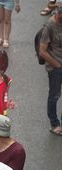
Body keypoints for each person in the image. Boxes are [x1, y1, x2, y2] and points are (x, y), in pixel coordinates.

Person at [39, 6, 62, 136]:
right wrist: (57, 65)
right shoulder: (49, 26)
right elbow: (42, 51)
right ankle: (54, 124)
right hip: (55, 67)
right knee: (54, 95)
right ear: (59, 14)